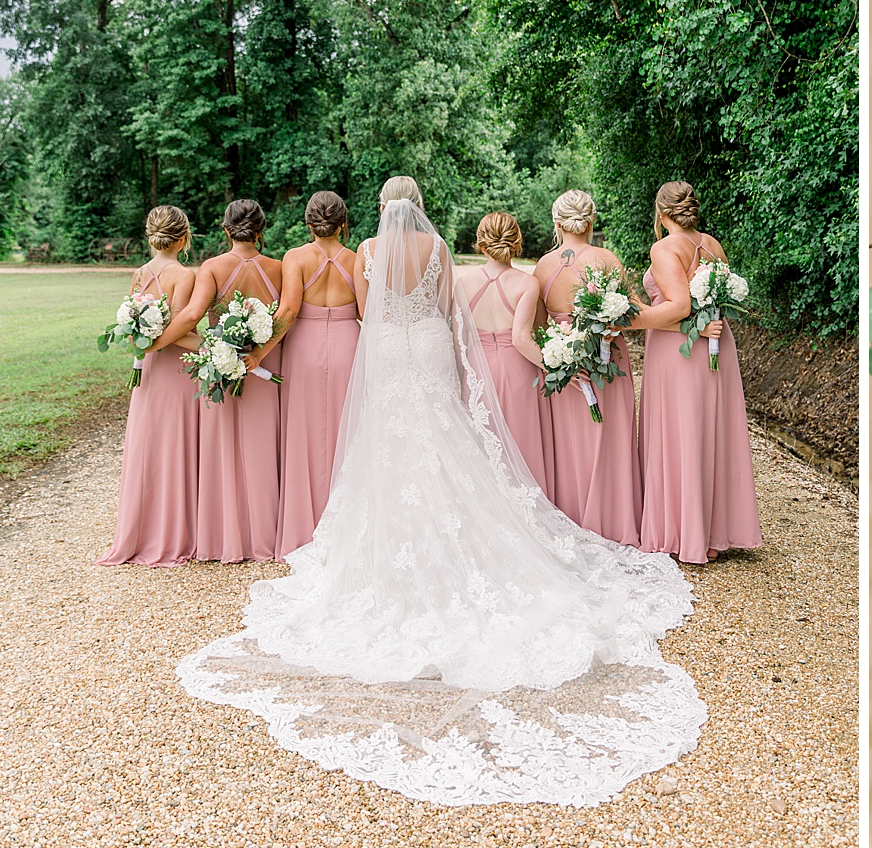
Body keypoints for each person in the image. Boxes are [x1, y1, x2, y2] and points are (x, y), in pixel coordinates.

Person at [176, 176, 704, 806]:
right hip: (426, 347)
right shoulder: (439, 251)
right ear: (420, 207)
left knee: (389, 452)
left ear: (382, 209)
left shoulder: (369, 250)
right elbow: (451, 315)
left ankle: (394, 559)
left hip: (391, 352)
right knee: (443, 446)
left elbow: (370, 314)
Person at [630, 182, 761, 564]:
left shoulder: (664, 247)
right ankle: (710, 534)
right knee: (708, 431)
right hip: (717, 346)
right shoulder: (712, 244)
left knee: (680, 431)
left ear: (661, 212)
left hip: (680, 352)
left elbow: (678, 307)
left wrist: (630, 319)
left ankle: (682, 534)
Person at [529, 191, 644, 546]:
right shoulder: (606, 258)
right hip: (607, 359)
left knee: (569, 445)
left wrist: (561, 353)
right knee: (610, 438)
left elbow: (538, 329)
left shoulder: (544, 266)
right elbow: (630, 313)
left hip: (566, 366)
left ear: (557, 223)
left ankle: (573, 521)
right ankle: (615, 523)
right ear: (592, 221)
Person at [99, 206, 204, 566]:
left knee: (150, 447)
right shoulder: (182, 274)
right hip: (172, 369)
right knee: (175, 446)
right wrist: (211, 346)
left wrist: (145, 344)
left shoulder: (140, 273)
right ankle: (174, 533)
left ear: (150, 236)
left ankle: (143, 531)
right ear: (184, 237)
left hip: (148, 369)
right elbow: (180, 330)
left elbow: (138, 326)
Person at [185, 198, 283, 564]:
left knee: (221, 449)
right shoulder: (278, 267)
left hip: (221, 372)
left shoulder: (211, 267)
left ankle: (220, 538)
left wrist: (210, 349)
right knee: (263, 448)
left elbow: (195, 316)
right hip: (264, 367)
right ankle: (266, 536)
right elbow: (288, 318)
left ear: (226, 230)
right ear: (262, 230)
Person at [265, 191, 360, 558]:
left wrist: (255, 350)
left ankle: (303, 530)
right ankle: (346, 526)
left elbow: (287, 311)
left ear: (308, 224)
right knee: (346, 431)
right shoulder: (356, 260)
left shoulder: (295, 258)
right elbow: (367, 311)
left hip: (303, 347)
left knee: (303, 432)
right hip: (348, 345)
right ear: (343, 224)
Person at [458, 211, 548, 484]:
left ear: (481, 245)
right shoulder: (527, 283)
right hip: (518, 367)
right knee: (522, 443)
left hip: (476, 367)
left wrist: (462, 378)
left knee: (483, 442)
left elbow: (459, 340)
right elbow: (527, 336)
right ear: (517, 242)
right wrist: (556, 366)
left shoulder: (463, 284)